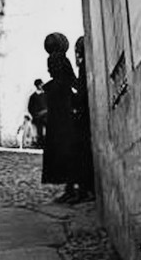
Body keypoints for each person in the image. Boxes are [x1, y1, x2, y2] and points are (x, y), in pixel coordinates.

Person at [41, 32, 78, 203]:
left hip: (62, 119)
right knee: (66, 151)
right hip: (62, 117)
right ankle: (71, 186)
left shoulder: (58, 85)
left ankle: (71, 187)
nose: (49, 69)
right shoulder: (61, 81)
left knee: (65, 151)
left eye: (51, 66)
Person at [73, 36, 95, 202]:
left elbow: (81, 92)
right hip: (86, 116)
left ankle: (85, 190)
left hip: (83, 117)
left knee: (82, 155)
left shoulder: (83, 67)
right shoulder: (89, 65)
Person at [28, 79, 48, 148]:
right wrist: (36, 114)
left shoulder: (46, 95)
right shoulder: (33, 97)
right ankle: (40, 143)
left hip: (46, 115)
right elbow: (30, 108)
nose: (42, 86)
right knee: (40, 130)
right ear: (37, 86)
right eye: (40, 85)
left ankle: (47, 142)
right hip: (38, 117)